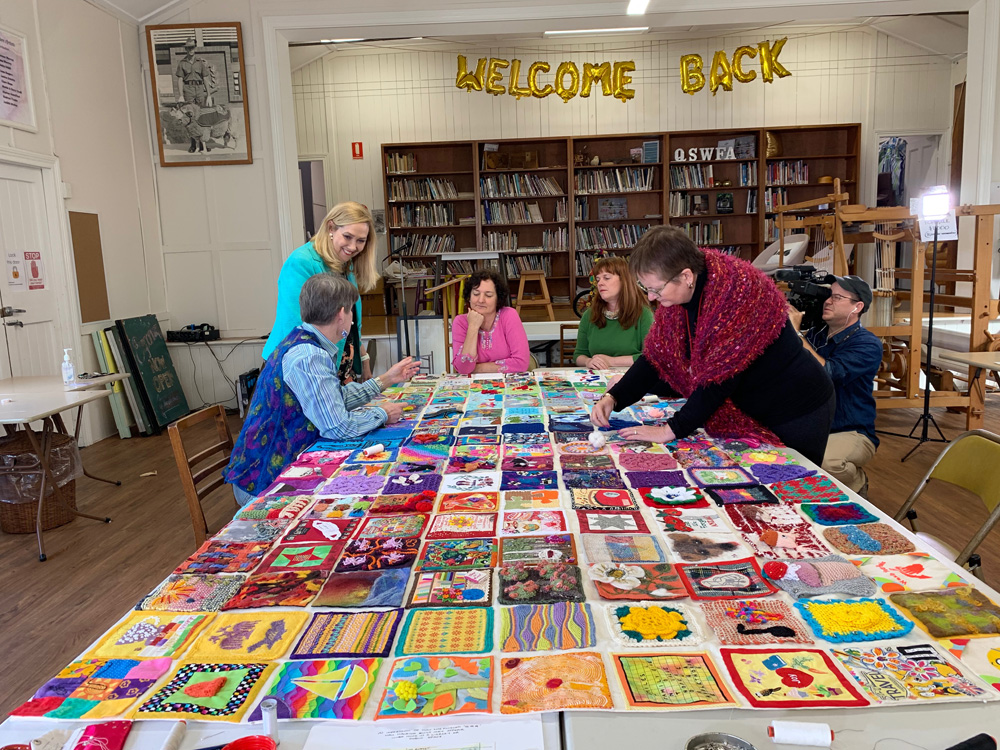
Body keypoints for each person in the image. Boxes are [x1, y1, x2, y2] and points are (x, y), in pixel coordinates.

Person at [591, 226, 835, 465]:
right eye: (646, 288)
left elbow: (718, 380)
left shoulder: (738, 293)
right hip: (750, 404)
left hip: (795, 408)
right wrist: (614, 396)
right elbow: (656, 357)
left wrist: (671, 429)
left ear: (686, 276)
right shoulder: (680, 296)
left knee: (791, 490)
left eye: (656, 289)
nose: (651, 297)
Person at [225, 274, 420, 505]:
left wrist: (386, 379)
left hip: (270, 468)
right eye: (351, 312)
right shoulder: (309, 356)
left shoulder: (304, 339)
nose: (352, 320)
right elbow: (338, 426)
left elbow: (331, 400)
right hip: (266, 479)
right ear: (341, 314)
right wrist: (383, 414)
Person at [263, 201, 379, 381]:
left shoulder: (344, 264)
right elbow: (295, 329)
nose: (353, 246)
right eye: (347, 236)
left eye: (361, 241)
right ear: (331, 227)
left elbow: (351, 325)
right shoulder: (301, 262)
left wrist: (363, 360)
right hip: (299, 369)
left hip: (335, 368)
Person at [789, 276, 883, 495]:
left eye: (837, 297)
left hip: (853, 431)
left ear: (857, 307)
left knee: (826, 461)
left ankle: (857, 484)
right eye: (828, 295)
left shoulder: (867, 343)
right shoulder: (816, 336)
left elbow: (828, 373)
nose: (828, 301)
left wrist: (795, 334)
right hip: (816, 425)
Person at [574, 255, 654, 369]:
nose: (600, 283)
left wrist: (611, 361)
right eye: (598, 279)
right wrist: (588, 361)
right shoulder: (589, 315)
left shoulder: (643, 314)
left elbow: (651, 357)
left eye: (606, 278)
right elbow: (579, 355)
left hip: (631, 378)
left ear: (624, 280)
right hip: (596, 380)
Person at [452, 269, 530, 374]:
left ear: (498, 299)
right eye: (476, 294)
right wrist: (473, 327)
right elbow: (463, 368)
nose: (480, 300)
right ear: (469, 297)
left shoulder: (509, 315)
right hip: (473, 388)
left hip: (507, 386)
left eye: (488, 295)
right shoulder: (460, 322)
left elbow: (521, 363)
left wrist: (475, 369)